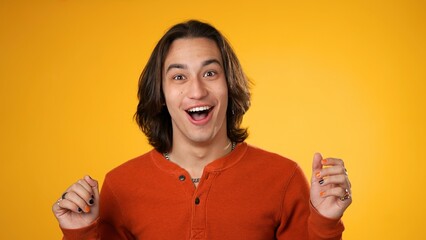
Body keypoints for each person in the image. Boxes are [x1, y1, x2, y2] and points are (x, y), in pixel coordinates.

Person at [52, 20, 352, 240]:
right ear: (161, 93)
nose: (197, 90)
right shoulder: (120, 187)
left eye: (210, 73)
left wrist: (325, 221)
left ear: (229, 85)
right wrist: (79, 233)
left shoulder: (283, 178)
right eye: (179, 76)